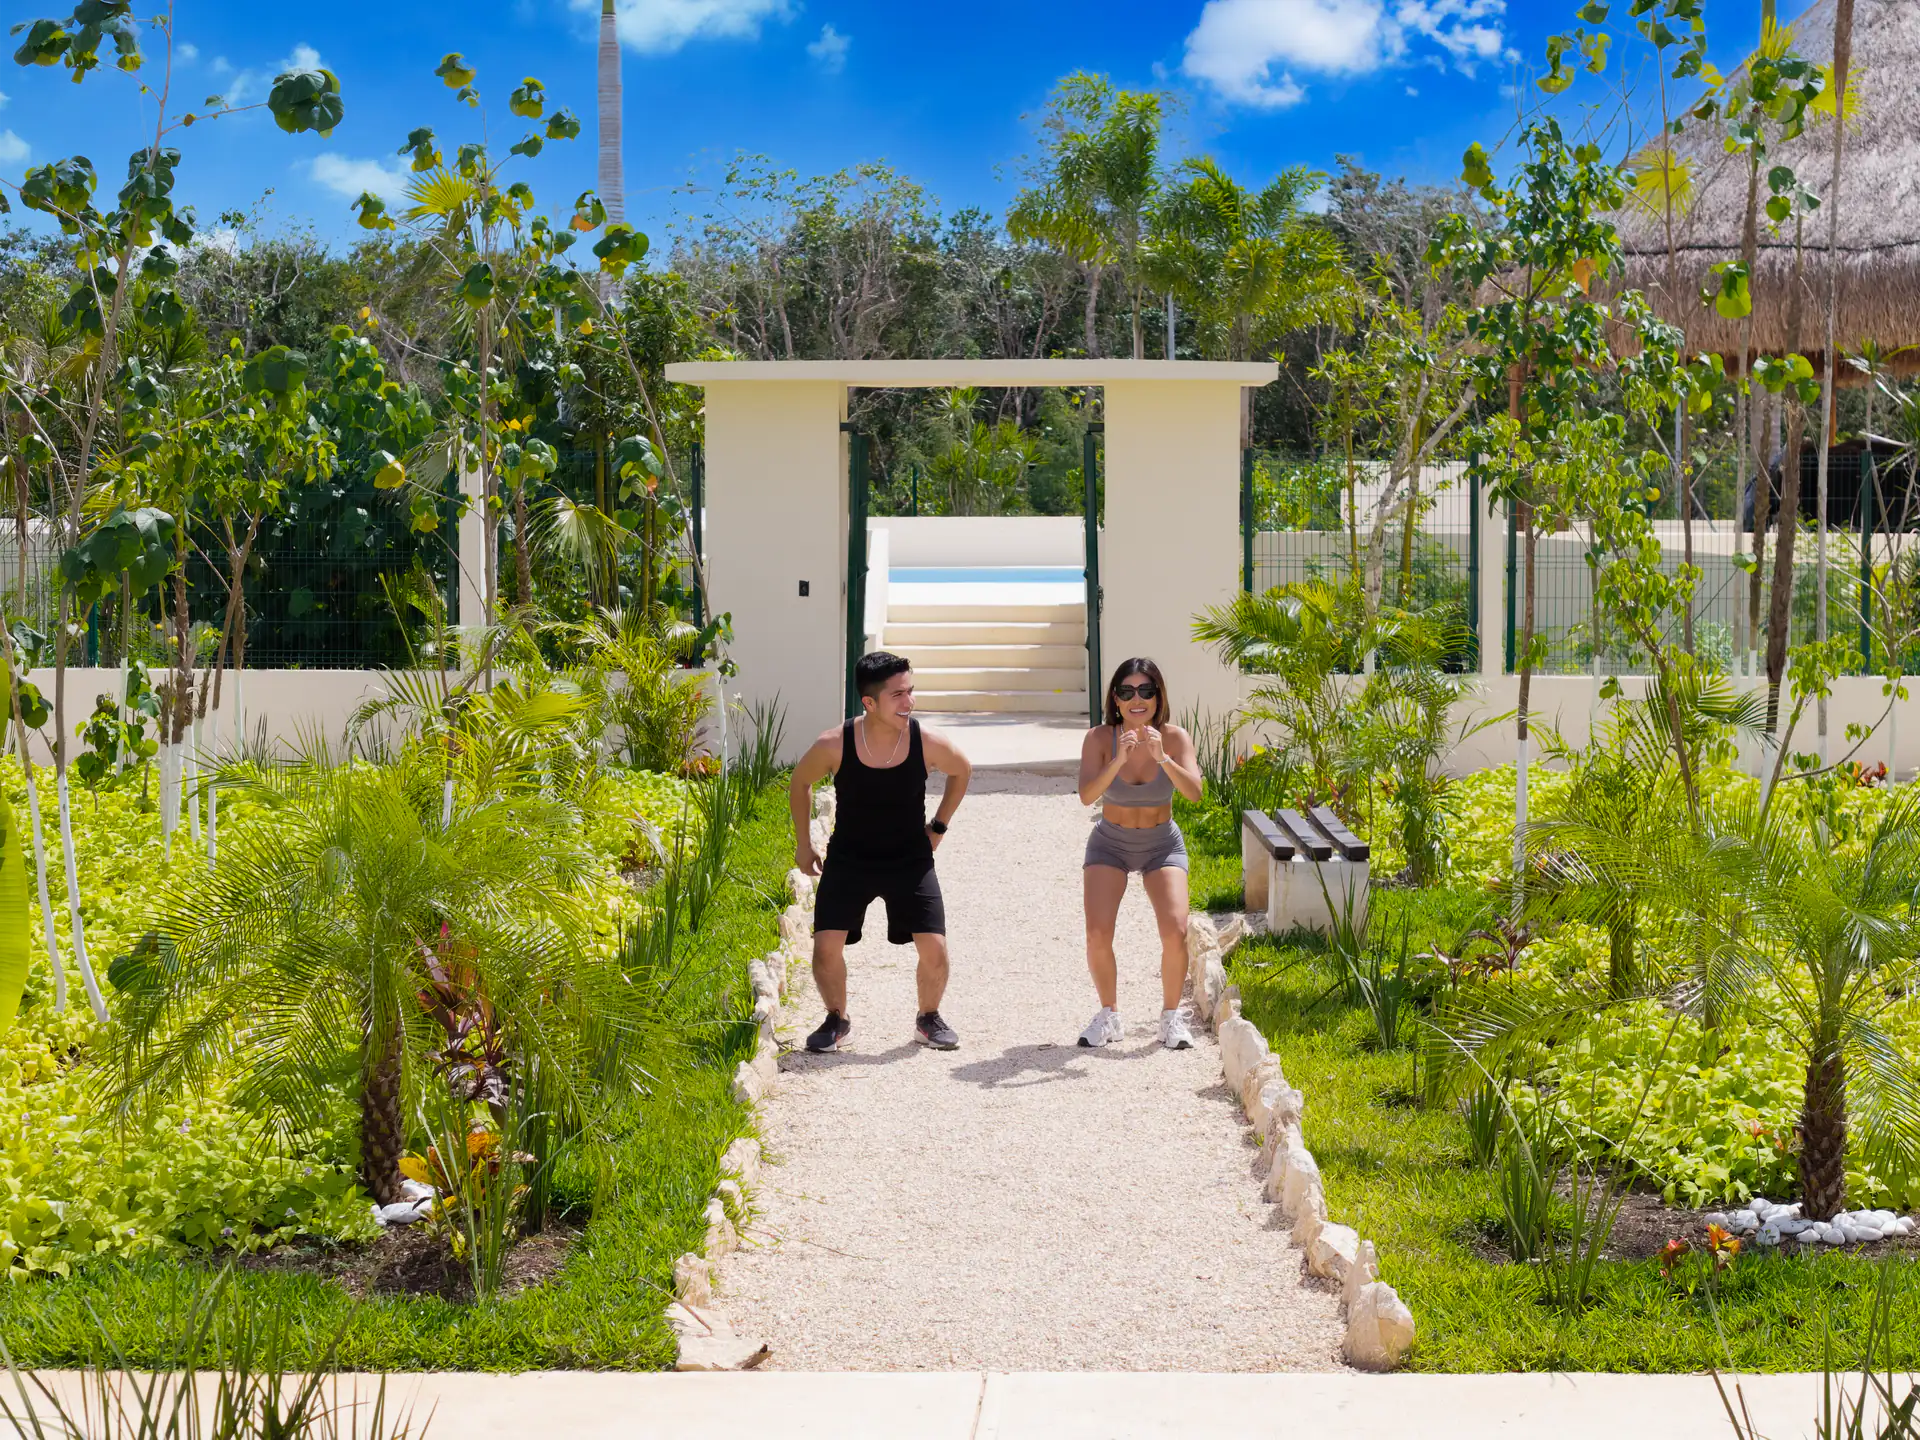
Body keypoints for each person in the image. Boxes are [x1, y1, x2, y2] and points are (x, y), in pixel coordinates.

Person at [789, 651, 972, 1053]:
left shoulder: (926, 742)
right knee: (825, 949)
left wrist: (938, 827)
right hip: (849, 860)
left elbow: (962, 770)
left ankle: (928, 1018)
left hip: (910, 859)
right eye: (898, 695)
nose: (910, 702)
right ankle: (836, 1018)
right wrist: (804, 844)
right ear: (869, 703)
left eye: (911, 691)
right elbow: (799, 781)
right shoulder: (835, 744)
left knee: (935, 949)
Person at [1075, 658, 1204, 1050]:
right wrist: (1119, 759)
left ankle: (1169, 1019)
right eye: (1127, 692)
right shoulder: (1099, 738)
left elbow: (1195, 793)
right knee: (1097, 933)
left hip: (1161, 843)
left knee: (1176, 931)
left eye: (1146, 691)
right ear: (1115, 698)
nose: (1137, 699)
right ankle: (1109, 1016)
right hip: (1110, 842)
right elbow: (1086, 796)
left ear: (1158, 697)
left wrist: (1162, 756)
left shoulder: (1175, 738)